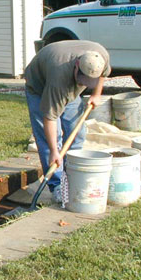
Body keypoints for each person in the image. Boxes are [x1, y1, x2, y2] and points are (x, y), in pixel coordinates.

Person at [24, 40, 111, 203]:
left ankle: (71, 176)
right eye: (82, 79)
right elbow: (49, 117)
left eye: (87, 82)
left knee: (77, 133)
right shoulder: (59, 79)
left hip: (67, 87)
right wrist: (54, 152)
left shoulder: (101, 56)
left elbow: (103, 75)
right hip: (39, 87)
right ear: (77, 65)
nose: (83, 84)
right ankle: (57, 185)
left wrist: (96, 94)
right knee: (51, 140)